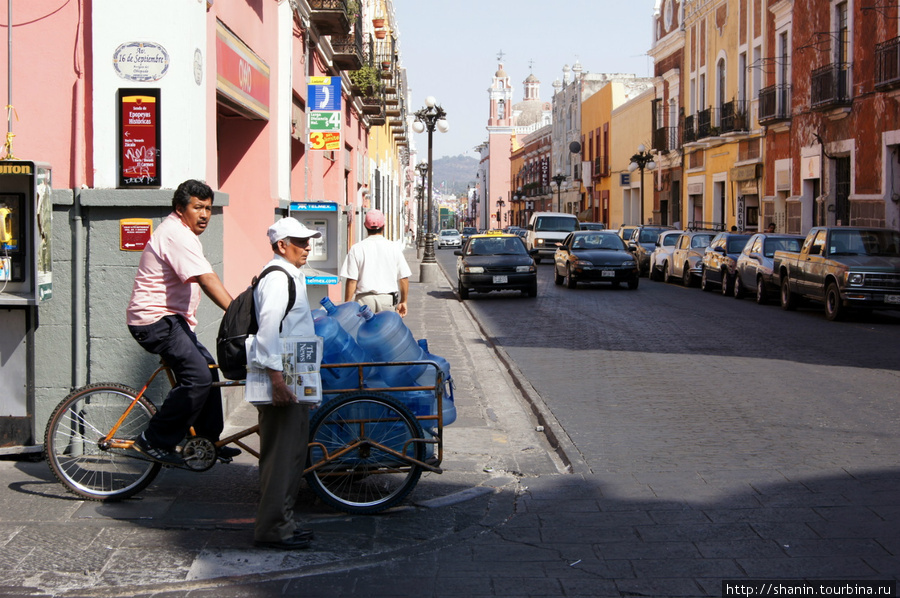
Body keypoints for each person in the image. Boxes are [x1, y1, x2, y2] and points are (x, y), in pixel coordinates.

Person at [126, 179, 237, 465]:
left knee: (209, 371)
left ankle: (207, 441)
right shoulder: (177, 233)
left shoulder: (183, 233)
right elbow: (206, 277)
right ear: (180, 208)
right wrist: (236, 314)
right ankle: (154, 440)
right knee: (197, 378)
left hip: (171, 320)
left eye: (209, 209)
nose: (204, 215)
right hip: (154, 321)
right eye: (197, 207)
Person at [248, 218, 321, 550]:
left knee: (291, 456)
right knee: (281, 458)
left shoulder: (289, 275)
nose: (308, 247)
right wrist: (277, 380)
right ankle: (273, 529)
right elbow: (267, 333)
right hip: (282, 381)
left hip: (292, 378)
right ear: (281, 245)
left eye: (309, 241)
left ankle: (283, 523)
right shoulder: (278, 280)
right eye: (300, 242)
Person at [339, 209, 412, 316]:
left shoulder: (356, 248)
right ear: (384, 226)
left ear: (365, 225)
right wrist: (403, 301)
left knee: (363, 331)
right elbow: (403, 278)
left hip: (364, 300)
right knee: (386, 331)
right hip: (387, 299)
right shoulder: (393, 248)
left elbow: (352, 281)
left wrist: (347, 305)